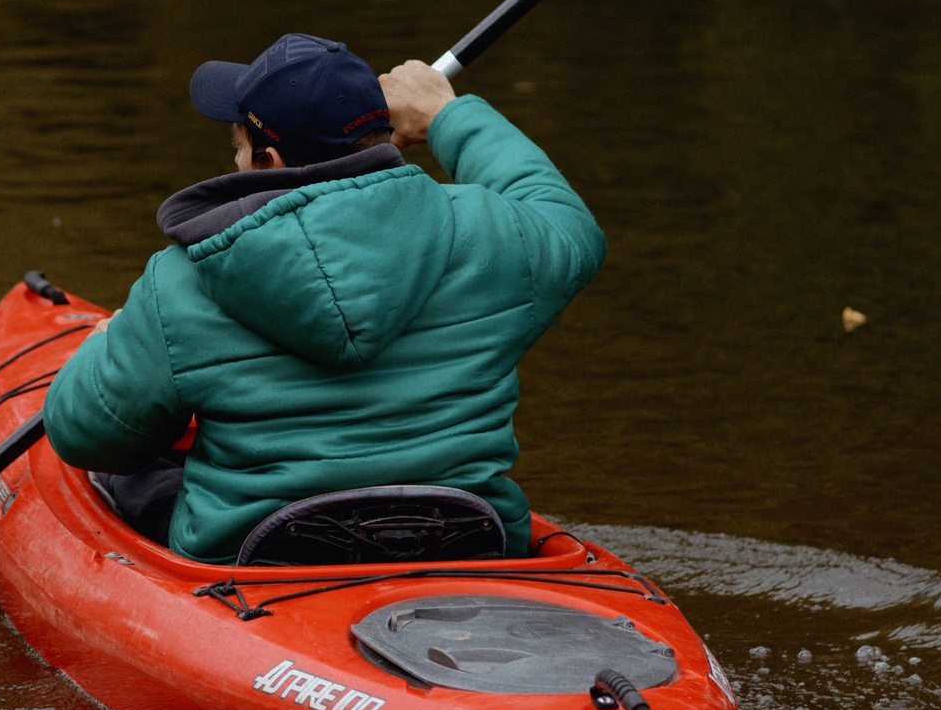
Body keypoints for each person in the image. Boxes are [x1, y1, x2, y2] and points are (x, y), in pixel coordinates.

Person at [41, 31, 604, 562]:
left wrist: (107, 346)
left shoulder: (180, 280)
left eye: (239, 147)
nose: (236, 160)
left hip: (255, 561)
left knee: (137, 472)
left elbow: (85, 436)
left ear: (268, 162)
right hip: (467, 538)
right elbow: (570, 225)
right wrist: (446, 116)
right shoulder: (492, 233)